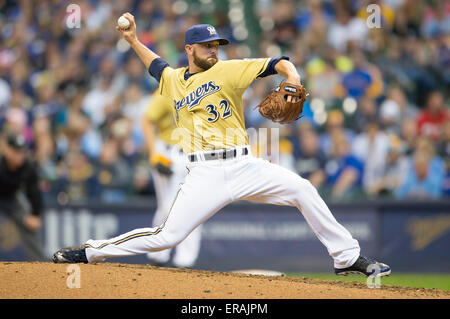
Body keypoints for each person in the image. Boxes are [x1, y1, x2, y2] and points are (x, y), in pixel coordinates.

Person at [52, 14, 390, 277]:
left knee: (302, 189)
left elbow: (279, 62)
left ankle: (346, 258)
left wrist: (294, 78)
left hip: (245, 165)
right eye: (207, 46)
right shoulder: (173, 80)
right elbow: (157, 67)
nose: (214, 50)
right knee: (167, 236)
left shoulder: (231, 70)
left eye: (216, 45)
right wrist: (133, 40)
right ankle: (90, 252)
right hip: (204, 172)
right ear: (189, 50)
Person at [141, 91, 202, 268]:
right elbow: (146, 120)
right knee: (167, 207)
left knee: (196, 207)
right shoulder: (168, 92)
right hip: (168, 152)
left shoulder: (207, 90)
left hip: (194, 153)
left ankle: (186, 261)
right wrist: (154, 154)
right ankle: (157, 256)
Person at [0, 132, 46, 261]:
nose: (20, 155)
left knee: (28, 224)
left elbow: (34, 193)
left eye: (22, 152)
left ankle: (40, 265)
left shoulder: (27, 167)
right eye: (16, 151)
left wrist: (35, 215)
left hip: (11, 199)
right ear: (7, 151)